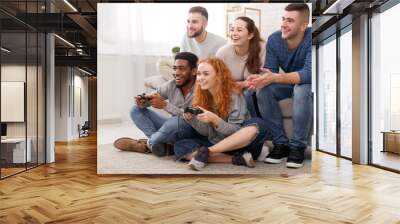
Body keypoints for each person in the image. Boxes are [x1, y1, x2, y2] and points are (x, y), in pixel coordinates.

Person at [246, 3, 312, 168]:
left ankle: (298, 147)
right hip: (288, 84)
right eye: (283, 19)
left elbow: (308, 73)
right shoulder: (275, 39)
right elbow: (271, 72)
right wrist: (260, 79)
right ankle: (281, 144)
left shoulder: (312, 37)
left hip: (310, 84)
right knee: (263, 90)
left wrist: (274, 77)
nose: (283, 24)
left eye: (290, 20)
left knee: (302, 88)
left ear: (304, 25)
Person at [173, 57, 268, 171]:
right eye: (198, 74)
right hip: (217, 143)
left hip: (239, 144)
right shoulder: (201, 96)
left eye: (206, 74)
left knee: (259, 125)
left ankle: (208, 152)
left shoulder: (234, 95)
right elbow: (207, 132)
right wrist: (192, 120)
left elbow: (235, 131)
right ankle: (236, 159)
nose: (200, 78)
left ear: (219, 76)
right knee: (179, 146)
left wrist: (215, 120)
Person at [113, 52, 199, 156]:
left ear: (194, 71)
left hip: (191, 130)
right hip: (172, 127)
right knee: (135, 110)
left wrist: (165, 105)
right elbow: (155, 95)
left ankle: (148, 144)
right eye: (175, 68)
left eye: (182, 68)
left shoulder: (201, 88)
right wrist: (144, 101)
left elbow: (193, 119)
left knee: (176, 123)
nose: (176, 72)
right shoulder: (171, 84)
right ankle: (158, 144)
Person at [216, 16, 266, 117]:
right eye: (232, 30)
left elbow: (263, 75)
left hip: (255, 88)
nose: (234, 33)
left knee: (247, 94)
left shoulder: (262, 47)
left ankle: (256, 124)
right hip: (231, 88)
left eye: (239, 30)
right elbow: (216, 78)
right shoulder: (223, 52)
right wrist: (234, 86)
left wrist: (243, 84)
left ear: (250, 35)